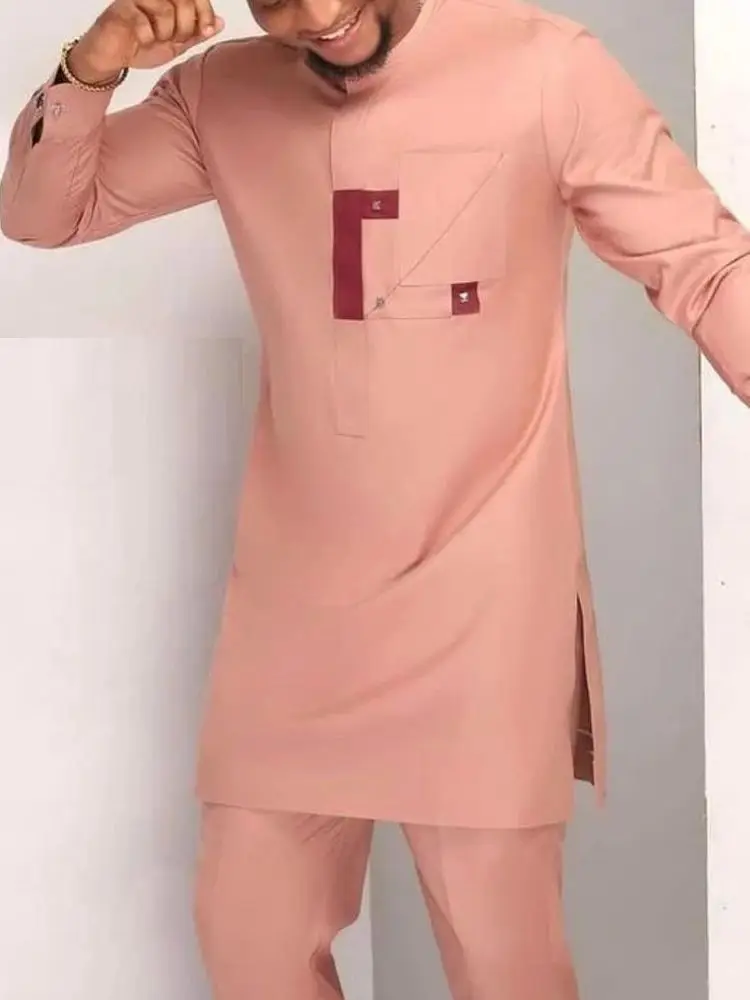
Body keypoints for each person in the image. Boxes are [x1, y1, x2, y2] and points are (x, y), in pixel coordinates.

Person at [2, 0, 748, 996]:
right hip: (294, 621)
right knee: (249, 937)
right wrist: (91, 70)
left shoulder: (548, 68)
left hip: (480, 608)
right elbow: (45, 213)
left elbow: (706, 266)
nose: (316, 14)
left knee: (504, 962)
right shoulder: (219, 94)